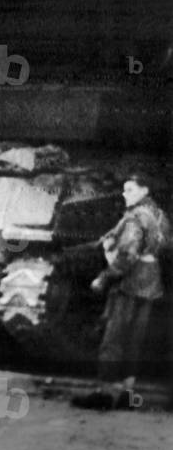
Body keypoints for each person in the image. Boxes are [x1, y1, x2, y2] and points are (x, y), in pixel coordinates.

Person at [72, 173, 171, 411]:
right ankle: (127, 394)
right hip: (151, 283)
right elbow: (166, 244)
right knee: (134, 342)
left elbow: (127, 254)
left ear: (145, 191)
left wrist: (103, 276)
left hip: (129, 282)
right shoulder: (160, 216)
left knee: (113, 338)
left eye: (130, 189)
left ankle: (104, 395)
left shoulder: (134, 218)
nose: (124, 194)